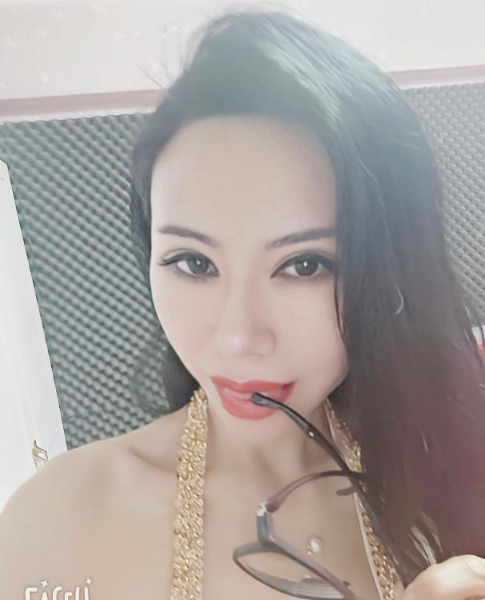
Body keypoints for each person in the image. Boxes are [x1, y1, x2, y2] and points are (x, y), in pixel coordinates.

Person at [1, 6, 485, 600]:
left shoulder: (447, 468)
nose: (238, 339)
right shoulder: (57, 523)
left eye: (304, 265)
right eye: (193, 262)